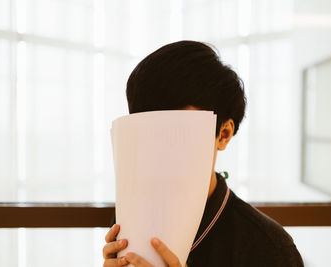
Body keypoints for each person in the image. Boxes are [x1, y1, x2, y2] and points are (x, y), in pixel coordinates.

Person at [103, 40, 304, 267]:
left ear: (223, 134)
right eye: (145, 127)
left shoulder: (267, 248)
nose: (158, 144)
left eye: (175, 128)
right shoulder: (129, 219)